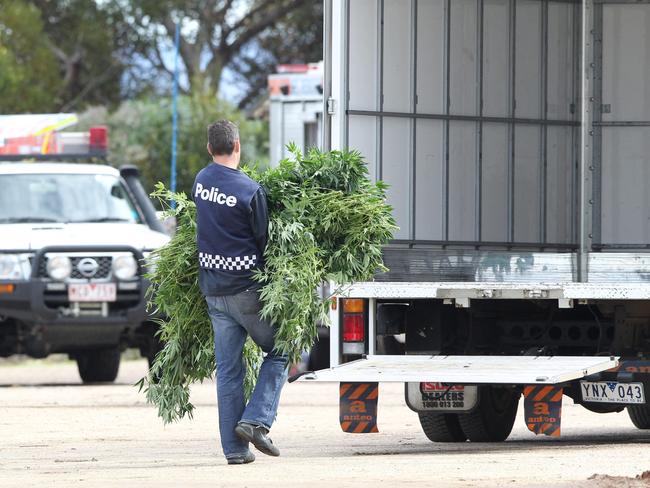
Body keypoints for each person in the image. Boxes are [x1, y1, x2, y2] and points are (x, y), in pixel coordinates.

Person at [192, 120, 288, 465]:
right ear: (238, 146)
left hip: (213, 292)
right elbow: (263, 241)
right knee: (281, 350)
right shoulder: (250, 190)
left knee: (229, 371)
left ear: (209, 148)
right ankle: (256, 421)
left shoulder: (200, 182)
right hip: (246, 290)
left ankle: (235, 451)